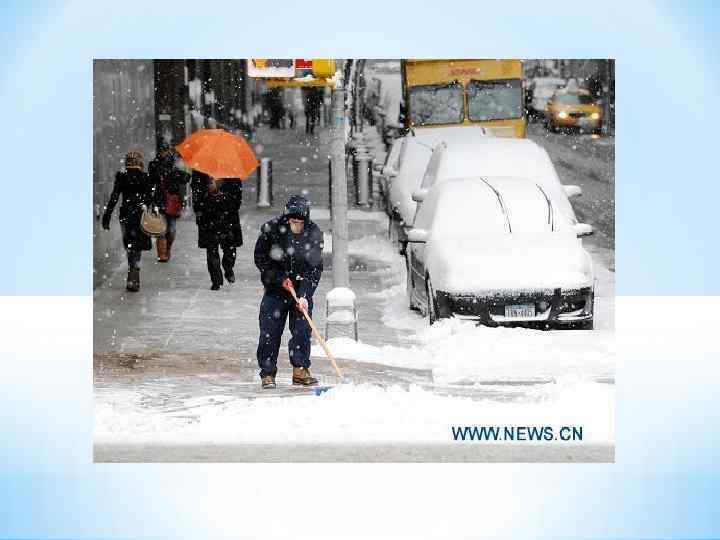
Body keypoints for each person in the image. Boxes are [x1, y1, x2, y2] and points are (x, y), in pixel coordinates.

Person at [254, 195, 323, 389]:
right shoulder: (271, 229)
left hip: (300, 291)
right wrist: (278, 278)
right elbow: (261, 259)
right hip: (275, 290)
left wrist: (305, 294)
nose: (296, 226)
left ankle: (300, 369)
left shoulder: (314, 233)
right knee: (270, 332)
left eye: (300, 223)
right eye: (293, 222)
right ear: (287, 219)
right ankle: (268, 372)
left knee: (302, 331)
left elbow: (315, 267)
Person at [101, 151, 156, 292]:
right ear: (140, 162)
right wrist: (146, 205)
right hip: (140, 215)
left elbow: (114, 197)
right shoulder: (145, 177)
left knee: (130, 244)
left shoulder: (122, 177)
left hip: (126, 215)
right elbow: (150, 196)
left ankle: (133, 271)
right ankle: (134, 272)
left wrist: (107, 215)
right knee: (137, 244)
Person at [190, 171, 243, 290]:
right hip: (208, 216)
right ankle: (216, 280)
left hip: (227, 216)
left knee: (229, 249)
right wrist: (207, 196)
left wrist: (223, 196)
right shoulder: (200, 172)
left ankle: (228, 268)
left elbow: (237, 196)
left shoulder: (231, 172)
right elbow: (196, 193)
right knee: (212, 250)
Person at [147, 144, 190, 262]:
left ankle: (167, 249)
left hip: (173, 201)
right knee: (161, 229)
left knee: (171, 230)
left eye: (166, 150)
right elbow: (150, 181)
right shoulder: (154, 164)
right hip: (159, 200)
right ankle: (162, 255)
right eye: (162, 151)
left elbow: (186, 178)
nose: (165, 153)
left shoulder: (176, 163)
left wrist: (179, 170)